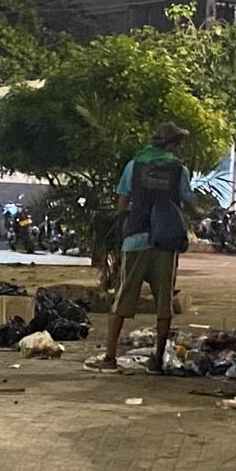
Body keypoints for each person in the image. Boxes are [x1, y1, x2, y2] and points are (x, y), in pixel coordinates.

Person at [86, 122, 194, 374]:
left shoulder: (134, 165)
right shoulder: (179, 169)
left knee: (123, 299)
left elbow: (123, 202)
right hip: (165, 244)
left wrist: (128, 222)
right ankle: (157, 361)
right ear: (170, 145)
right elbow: (189, 200)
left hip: (135, 240)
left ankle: (110, 357)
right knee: (164, 302)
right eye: (177, 144)